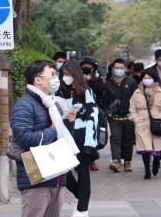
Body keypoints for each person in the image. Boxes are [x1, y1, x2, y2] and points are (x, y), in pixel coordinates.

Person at [10, 60, 77, 217]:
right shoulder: (24, 105)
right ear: (37, 79)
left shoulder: (53, 103)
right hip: (36, 178)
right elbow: (25, 138)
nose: (56, 79)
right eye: (52, 75)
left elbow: (62, 137)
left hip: (57, 175)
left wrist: (68, 122)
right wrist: (53, 130)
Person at [60, 60, 100, 217]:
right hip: (63, 138)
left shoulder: (85, 91)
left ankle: (83, 209)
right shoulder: (59, 91)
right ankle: (80, 197)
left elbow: (93, 115)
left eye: (69, 75)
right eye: (64, 75)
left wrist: (90, 141)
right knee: (63, 173)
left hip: (82, 138)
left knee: (83, 173)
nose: (66, 78)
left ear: (75, 75)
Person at [129, 67, 161, 179]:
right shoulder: (137, 92)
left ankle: (156, 162)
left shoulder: (160, 91)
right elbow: (132, 109)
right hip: (142, 124)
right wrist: (135, 119)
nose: (146, 79)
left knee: (156, 148)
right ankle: (147, 170)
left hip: (156, 122)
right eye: (145, 77)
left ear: (154, 78)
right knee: (145, 149)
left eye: (149, 77)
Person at [102, 58, 137, 172]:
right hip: (114, 118)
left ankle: (127, 162)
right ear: (112, 69)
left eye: (121, 68)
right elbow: (104, 102)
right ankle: (116, 161)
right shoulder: (108, 84)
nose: (119, 70)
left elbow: (136, 99)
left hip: (128, 117)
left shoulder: (131, 83)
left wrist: (134, 114)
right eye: (117, 68)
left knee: (128, 140)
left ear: (125, 69)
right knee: (115, 138)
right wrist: (107, 113)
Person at [81, 57, 105, 172]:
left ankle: (93, 159)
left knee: (95, 132)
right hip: (81, 108)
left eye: (89, 66)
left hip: (96, 107)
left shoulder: (97, 76)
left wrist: (91, 80)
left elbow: (101, 90)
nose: (87, 68)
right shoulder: (77, 76)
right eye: (84, 66)